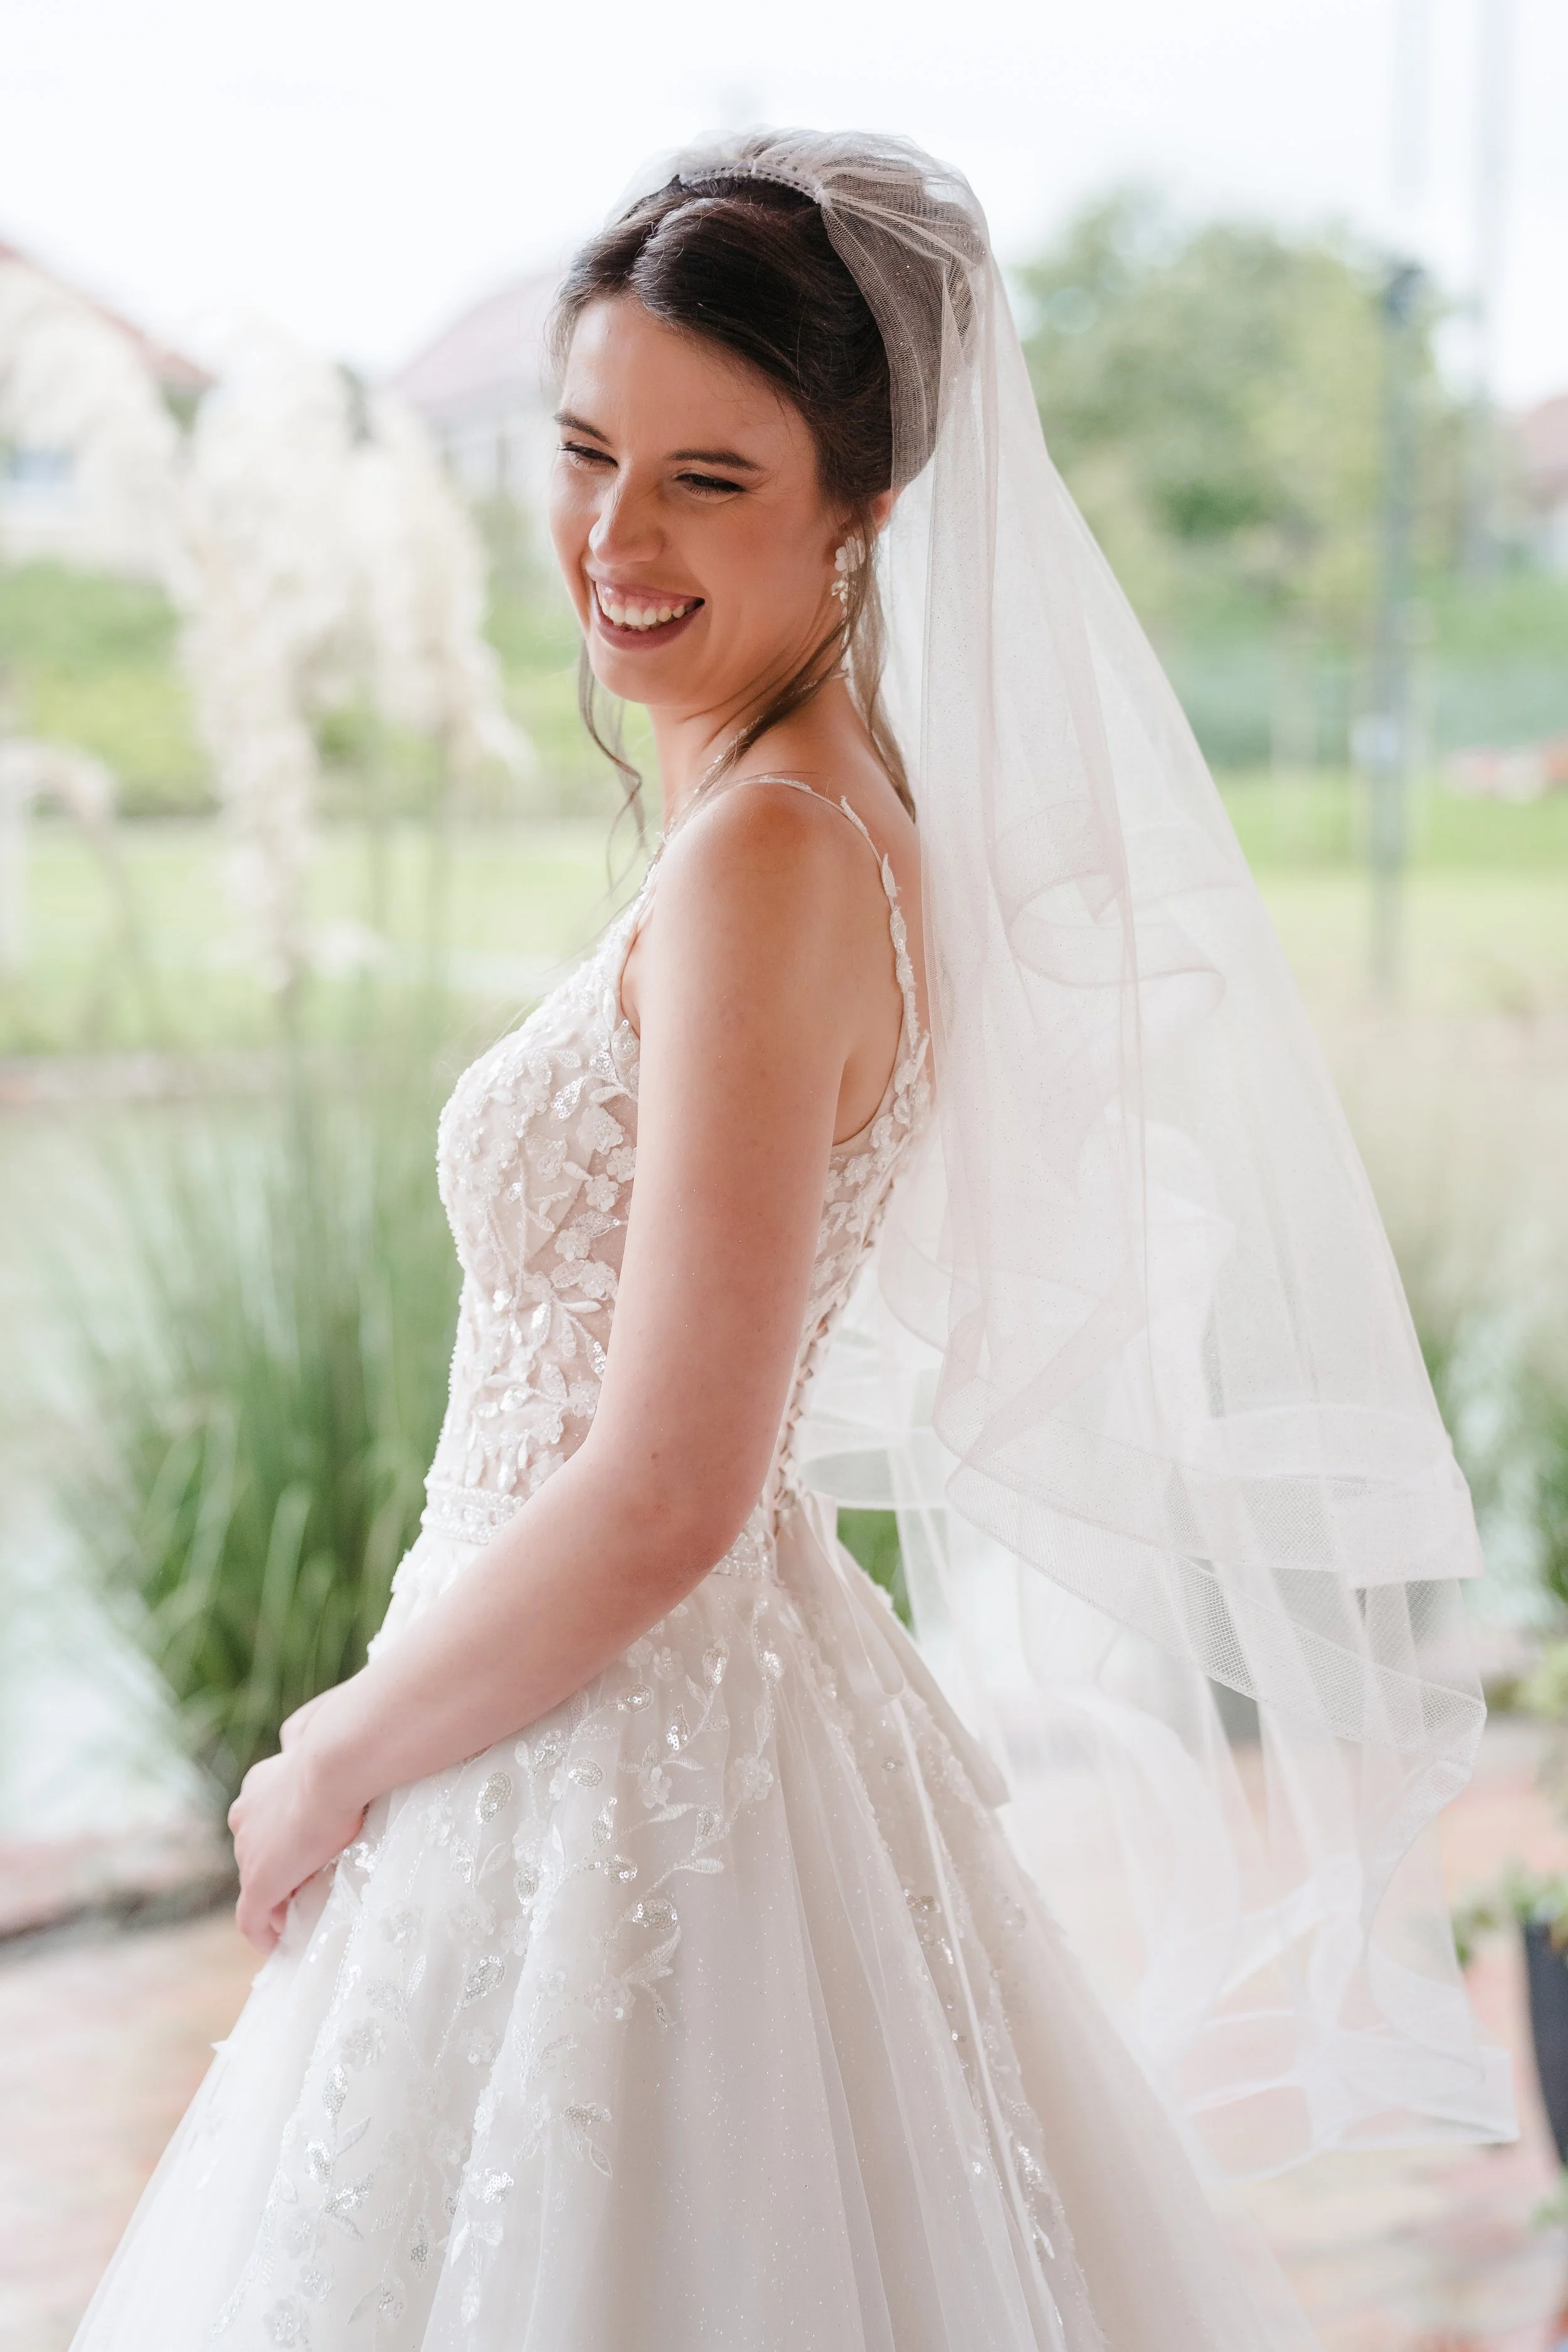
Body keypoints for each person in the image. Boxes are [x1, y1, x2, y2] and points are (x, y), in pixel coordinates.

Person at [72, 131, 1509, 2352]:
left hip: (609, 1740)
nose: (612, 539)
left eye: (707, 481)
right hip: (603, 1704)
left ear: (865, 503)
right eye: (582, 453)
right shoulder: (811, 808)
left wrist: (331, 1748)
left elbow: (672, 1483)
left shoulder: (774, 856)